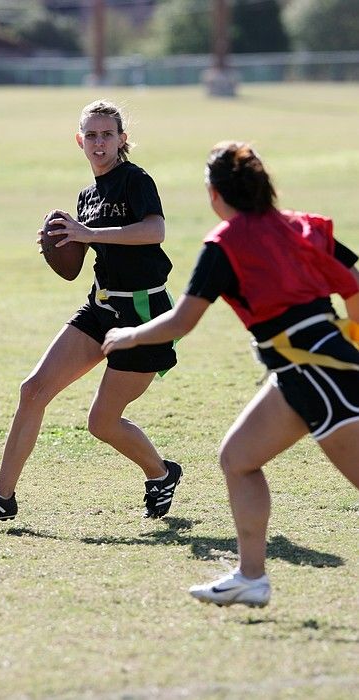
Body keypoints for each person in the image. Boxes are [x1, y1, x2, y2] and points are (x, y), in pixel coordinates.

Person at [102, 141, 359, 608]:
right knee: (238, 458)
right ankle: (251, 577)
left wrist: (130, 335)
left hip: (318, 375)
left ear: (215, 194)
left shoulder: (224, 242)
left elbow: (181, 322)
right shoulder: (302, 225)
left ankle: (251, 575)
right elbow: (354, 282)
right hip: (305, 371)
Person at [0, 99, 182, 527]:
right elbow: (80, 256)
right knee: (34, 389)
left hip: (142, 313)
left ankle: (161, 473)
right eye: (91, 136)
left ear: (121, 140)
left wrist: (87, 231)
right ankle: (2, 498)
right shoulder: (88, 194)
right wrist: (64, 241)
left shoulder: (136, 180)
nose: (99, 143)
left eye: (107, 135)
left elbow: (155, 231)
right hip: (101, 305)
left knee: (101, 422)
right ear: (80, 141)